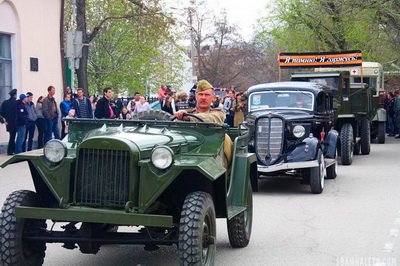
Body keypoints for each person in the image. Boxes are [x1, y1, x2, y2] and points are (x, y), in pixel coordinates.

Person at [174, 80, 231, 168]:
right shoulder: (186, 113)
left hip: (213, 149)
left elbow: (211, 119)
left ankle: (226, 173)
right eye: (200, 94)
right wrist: (179, 117)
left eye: (207, 95)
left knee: (226, 140)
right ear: (196, 96)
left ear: (213, 97)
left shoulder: (219, 113)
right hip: (188, 151)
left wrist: (189, 117)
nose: (203, 98)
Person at [0, 89, 18, 155]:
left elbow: (2, 112)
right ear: (15, 95)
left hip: (9, 122)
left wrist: (5, 120)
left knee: (12, 136)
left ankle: (10, 150)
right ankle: (12, 150)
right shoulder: (16, 102)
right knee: (15, 137)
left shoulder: (5, 102)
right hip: (15, 122)